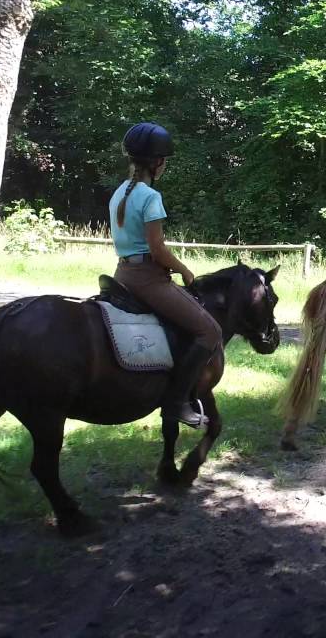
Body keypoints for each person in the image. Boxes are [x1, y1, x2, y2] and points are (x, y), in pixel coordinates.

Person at [110, 122, 222, 428]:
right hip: (147, 278)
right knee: (209, 331)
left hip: (121, 272)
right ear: (157, 162)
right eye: (165, 161)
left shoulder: (119, 192)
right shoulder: (149, 197)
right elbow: (157, 250)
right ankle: (176, 402)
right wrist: (185, 270)